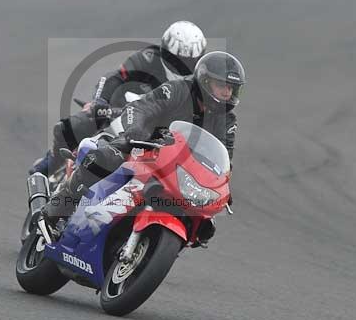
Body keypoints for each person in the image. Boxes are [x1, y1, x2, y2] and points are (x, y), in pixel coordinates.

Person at [37, 51, 246, 246]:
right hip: (143, 143)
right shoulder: (178, 89)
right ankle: (56, 211)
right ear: (206, 81)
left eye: (231, 88)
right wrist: (136, 130)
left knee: (202, 220)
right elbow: (142, 107)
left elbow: (225, 156)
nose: (227, 92)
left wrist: (220, 185)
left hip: (178, 166)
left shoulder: (227, 120)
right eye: (223, 86)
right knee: (102, 158)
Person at [29, 21, 207, 176]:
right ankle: (49, 165)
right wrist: (100, 102)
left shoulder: (198, 81)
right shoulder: (148, 59)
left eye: (189, 62)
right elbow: (113, 78)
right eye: (175, 59)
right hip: (119, 111)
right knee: (71, 127)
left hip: (159, 131)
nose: (181, 66)